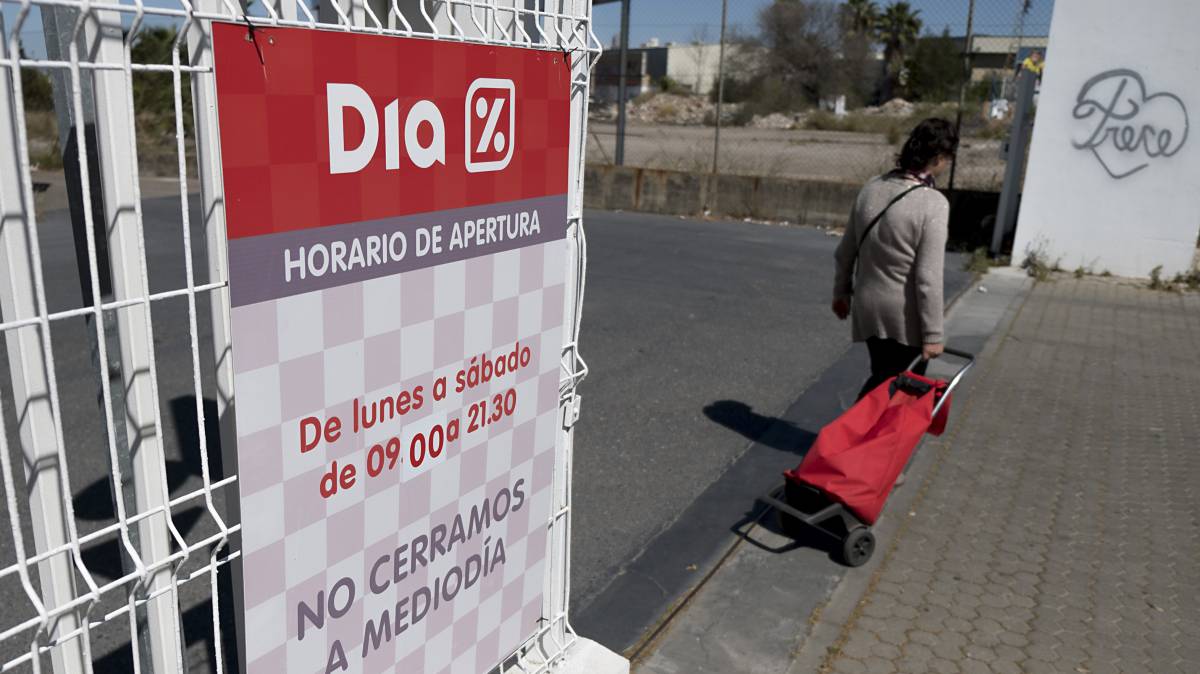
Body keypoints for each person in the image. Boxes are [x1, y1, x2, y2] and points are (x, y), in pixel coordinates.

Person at [832, 118, 957, 402]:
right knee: (894, 389)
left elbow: (845, 250)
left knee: (883, 377)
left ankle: (859, 441)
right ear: (938, 157)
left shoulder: (872, 187)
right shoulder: (933, 203)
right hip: (903, 316)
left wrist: (841, 292)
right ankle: (846, 441)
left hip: (868, 306)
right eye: (948, 158)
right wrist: (934, 335)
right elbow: (928, 278)